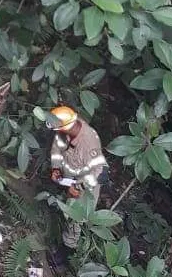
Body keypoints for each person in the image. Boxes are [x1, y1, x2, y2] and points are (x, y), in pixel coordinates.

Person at [46, 106, 108, 271]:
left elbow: (98, 173)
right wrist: (56, 168)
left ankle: (67, 253)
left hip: (87, 184)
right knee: (68, 210)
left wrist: (78, 187)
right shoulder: (64, 132)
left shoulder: (89, 142)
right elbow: (56, 149)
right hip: (69, 177)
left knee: (75, 218)